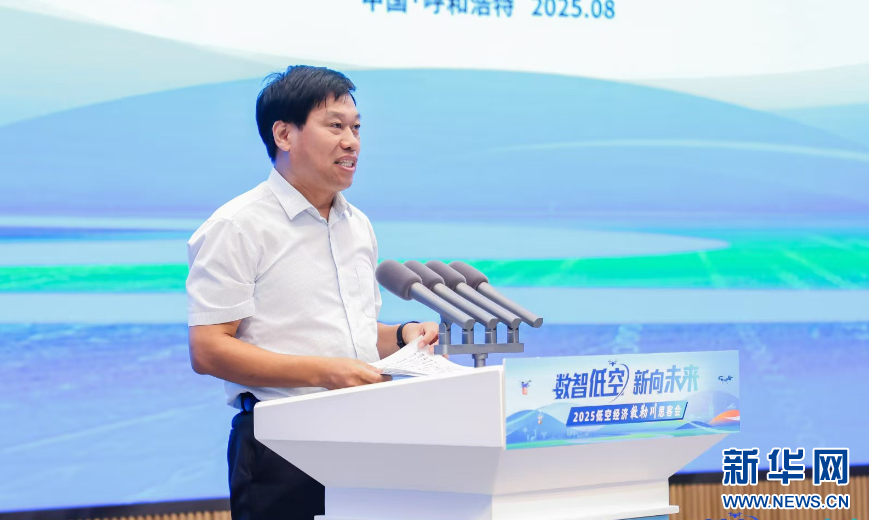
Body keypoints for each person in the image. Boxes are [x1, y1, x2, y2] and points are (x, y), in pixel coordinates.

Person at [185, 65, 439, 520]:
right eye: (335, 126)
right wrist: (325, 372)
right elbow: (208, 350)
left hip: (366, 436)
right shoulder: (238, 226)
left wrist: (402, 336)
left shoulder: (357, 224)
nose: (352, 142)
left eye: (357, 128)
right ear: (284, 134)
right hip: (281, 446)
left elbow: (351, 333)